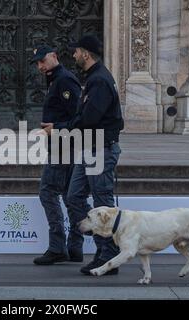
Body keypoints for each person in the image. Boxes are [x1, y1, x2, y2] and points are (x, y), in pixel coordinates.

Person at [41, 35, 125, 275]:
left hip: (101, 148)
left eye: (76, 51)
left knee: (102, 202)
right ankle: (99, 238)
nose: (74, 55)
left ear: (86, 54)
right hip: (89, 148)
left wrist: (59, 129)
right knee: (73, 196)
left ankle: (108, 255)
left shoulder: (99, 80)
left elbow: (89, 119)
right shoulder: (93, 78)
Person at [30, 45, 83, 265]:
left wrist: (57, 128)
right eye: (38, 63)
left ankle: (57, 246)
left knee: (48, 192)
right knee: (70, 195)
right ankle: (75, 246)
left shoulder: (64, 80)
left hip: (65, 145)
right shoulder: (55, 80)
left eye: (43, 61)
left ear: (54, 56)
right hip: (64, 144)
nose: (40, 66)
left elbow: (78, 116)